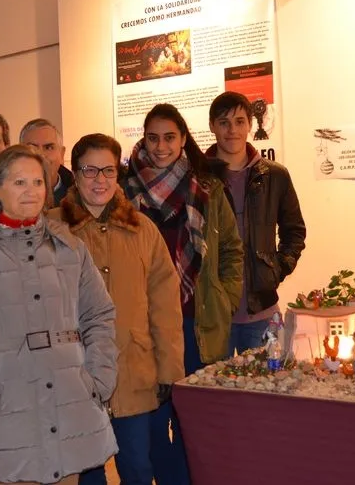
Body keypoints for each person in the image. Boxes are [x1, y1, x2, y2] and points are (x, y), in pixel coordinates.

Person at [0, 145, 118, 485]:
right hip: (5, 415)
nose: (31, 191)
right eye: (19, 182)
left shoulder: (70, 249)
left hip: (69, 408)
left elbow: (99, 316)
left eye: (37, 182)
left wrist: (98, 379)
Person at [48, 134, 184, 485]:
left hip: (133, 369)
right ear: (74, 175)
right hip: (74, 373)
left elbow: (165, 306)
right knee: (88, 472)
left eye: (108, 170)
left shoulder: (142, 228)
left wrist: (170, 369)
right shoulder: (50, 228)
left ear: (119, 174)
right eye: (89, 171)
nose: (100, 180)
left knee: (138, 467)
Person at [122, 103, 243, 485]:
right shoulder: (124, 192)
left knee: (192, 422)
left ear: (183, 139)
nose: (160, 147)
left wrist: (224, 298)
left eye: (169, 137)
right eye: (153, 138)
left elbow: (232, 252)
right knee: (154, 423)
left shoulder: (206, 187)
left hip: (196, 321)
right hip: (146, 327)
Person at [205, 91, 306, 355]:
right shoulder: (199, 179)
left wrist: (276, 270)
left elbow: (294, 232)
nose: (232, 130)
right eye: (224, 122)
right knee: (217, 394)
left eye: (239, 121)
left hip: (262, 310)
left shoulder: (275, 176)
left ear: (250, 125)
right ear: (212, 126)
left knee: (271, 389)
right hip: (213, 313)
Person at [20, 118, 75, 206]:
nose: (41, 155)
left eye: (48, 147)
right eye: (33, 147)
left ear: (62, 154)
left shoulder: (81, 198)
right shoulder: (7, 197)